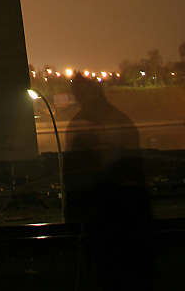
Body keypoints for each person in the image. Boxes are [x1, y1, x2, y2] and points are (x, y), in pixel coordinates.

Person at [64, 73, 153, 289]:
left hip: (101, 221)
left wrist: (74, 218)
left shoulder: (80, 126)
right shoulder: (123, 121)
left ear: (78, 95)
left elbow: (77, 180)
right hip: (132, 219)